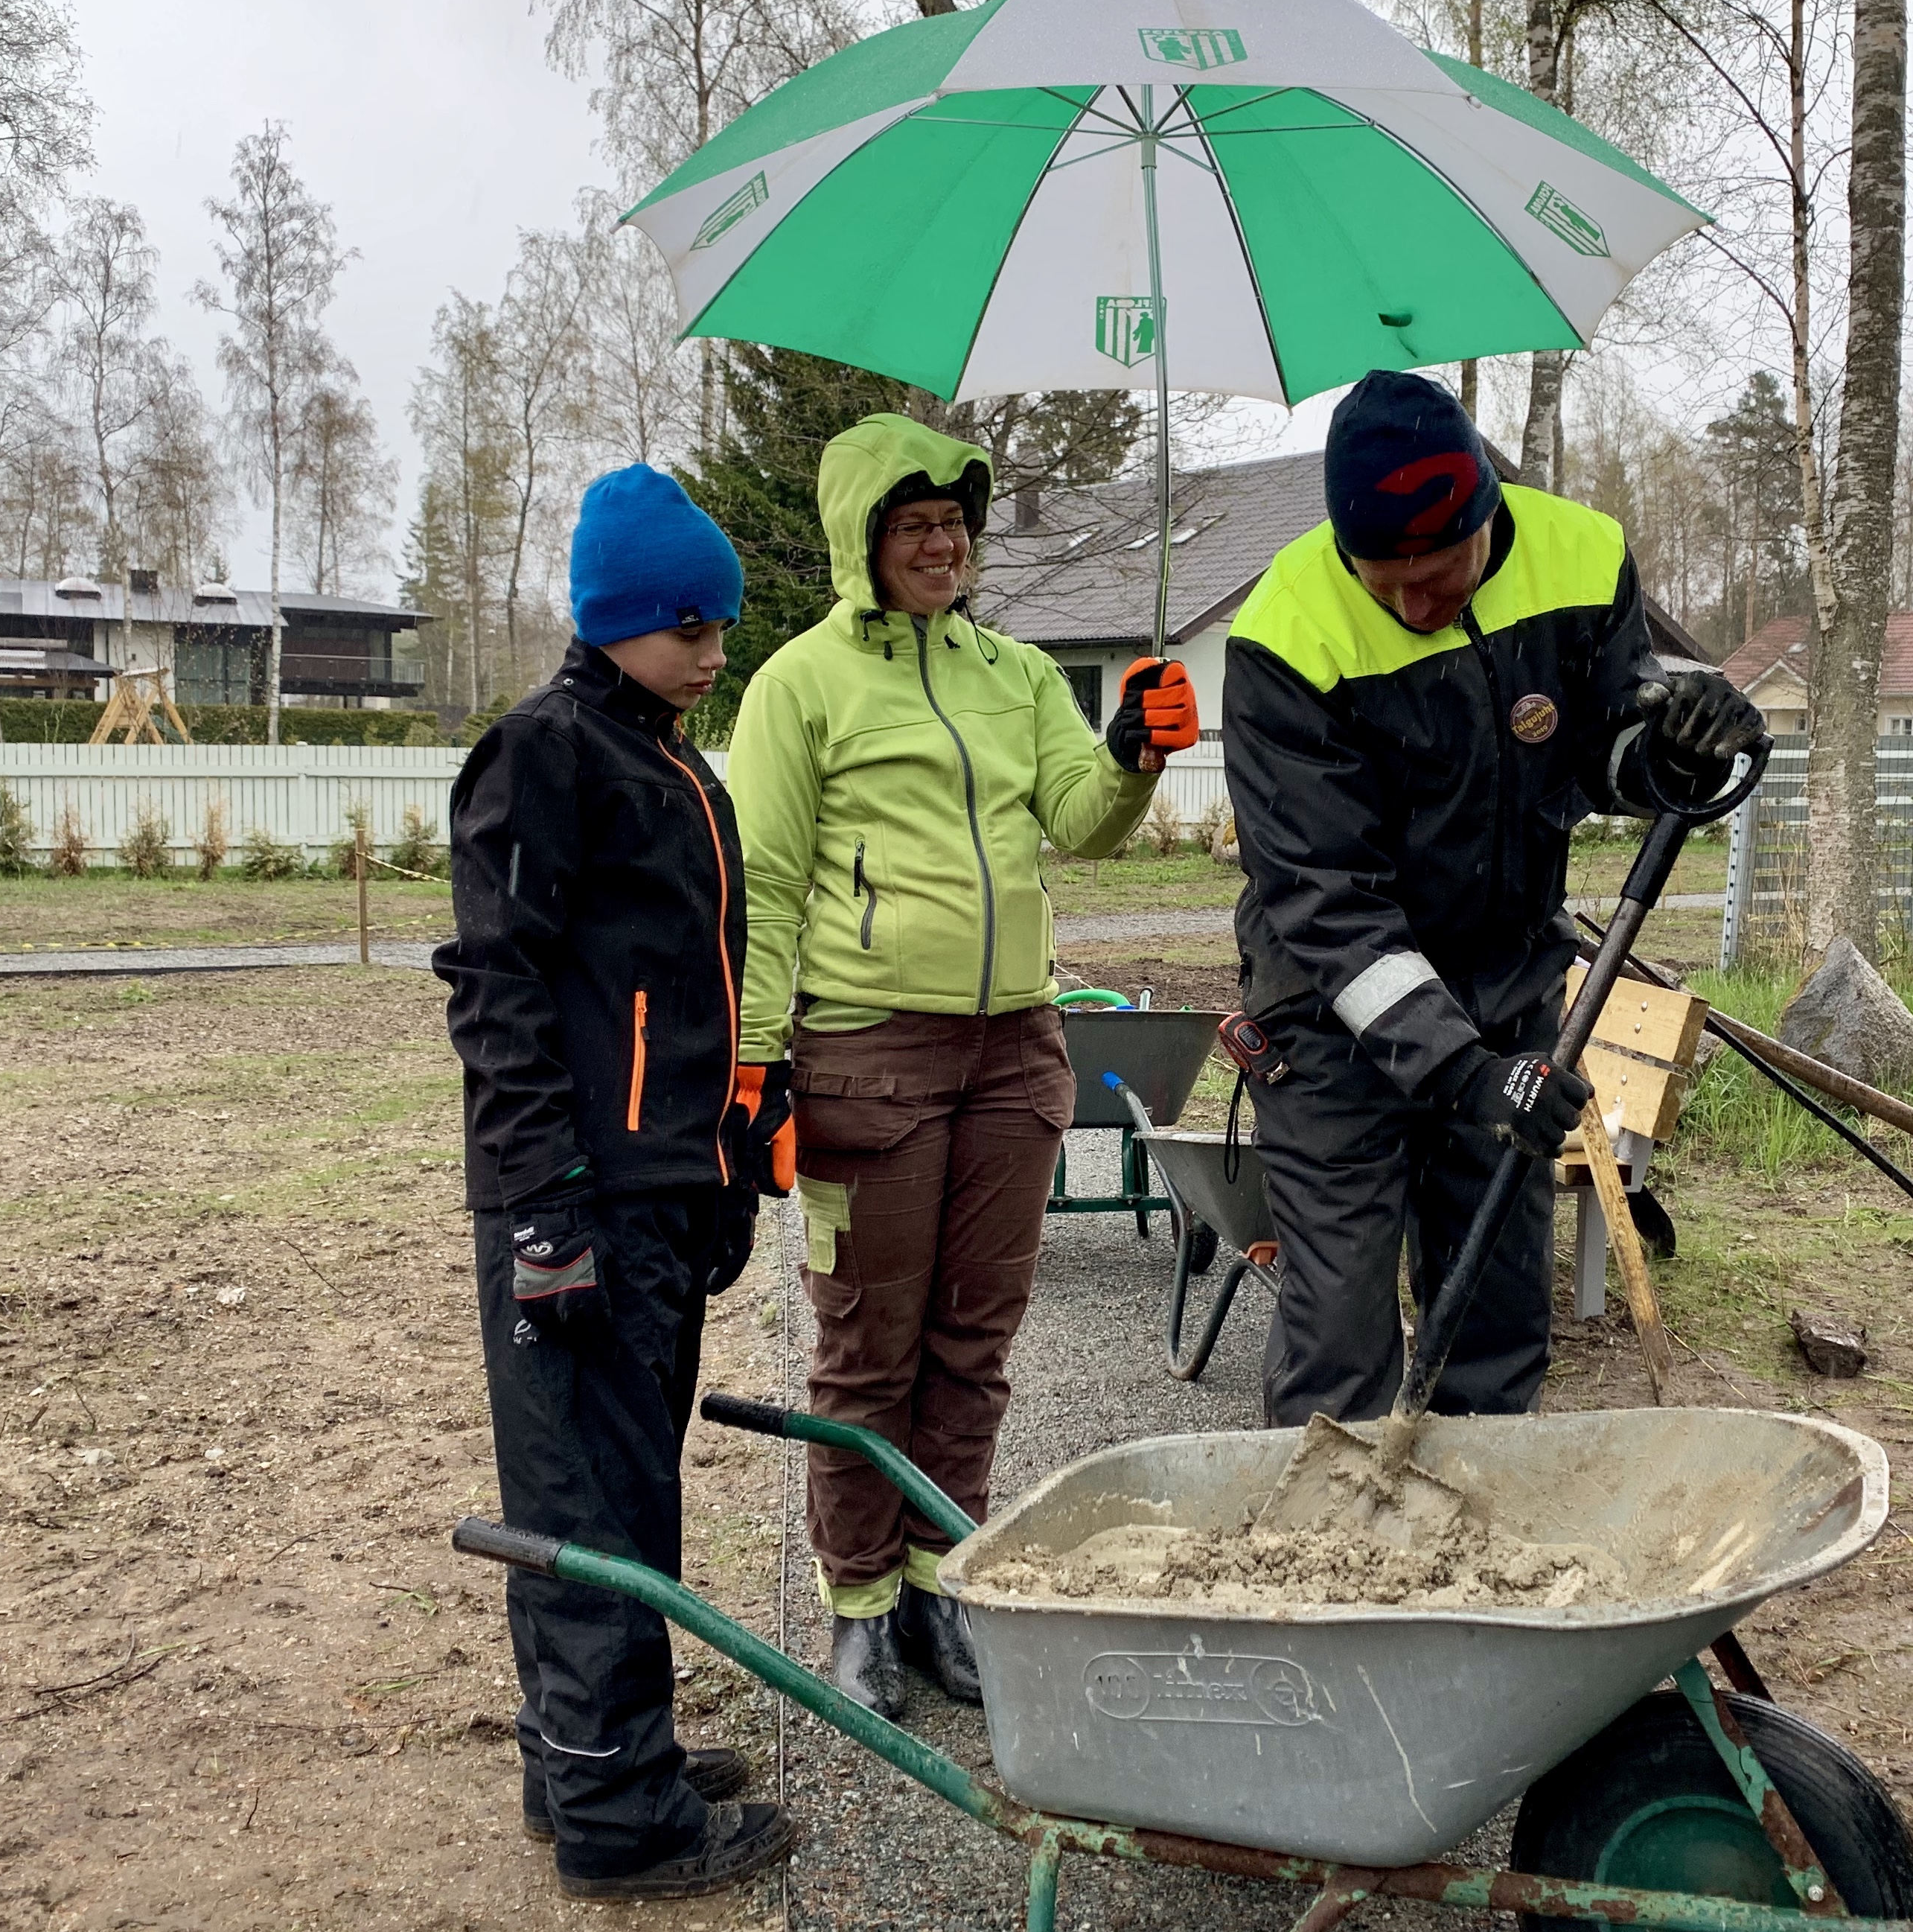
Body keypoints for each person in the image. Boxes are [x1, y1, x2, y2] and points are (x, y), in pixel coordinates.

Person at [727, 413, 1195, 1721]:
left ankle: (944, 1585)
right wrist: (755, 1064)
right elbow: (764, 884)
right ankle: (861, 1610)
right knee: (868, 1348)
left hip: (1014, 1049)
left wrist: (1132, 754)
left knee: (974, 1345)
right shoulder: (801, 686)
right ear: (861, 541)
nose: (943, 546)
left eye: (955, 524)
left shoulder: (1019, 675)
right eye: (914, 525)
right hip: (866, 1055)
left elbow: (1080, 826)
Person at [1221, 371, 1766, 1432]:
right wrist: (1464, 1072)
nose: (1415, 609)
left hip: (1507, 984)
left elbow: (1603, 750)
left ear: (1488, 513)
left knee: (1497, 1313)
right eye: (1386, 586)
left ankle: (1476, 1520)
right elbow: (1326, 901)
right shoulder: (1285, 634)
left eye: (1440, 577)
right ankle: (1331, 1530)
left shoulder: (1582, 558)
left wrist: (1671, 751)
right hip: (1332, 1020)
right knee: (1339, 1332)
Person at [437, 463, 796, 1901]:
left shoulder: (673, 762)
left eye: (721, 628)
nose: (714, 654)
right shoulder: (544, 753)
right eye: (691, 628)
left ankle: (588, 1756)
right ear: (619, 618)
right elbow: (498, 985)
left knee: (626, 1487)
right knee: (585, 1499)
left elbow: (684, 992)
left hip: (657, 1189)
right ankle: (618, 1820)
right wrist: (546, 1198)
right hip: (576, 1194)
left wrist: (723, 1169)